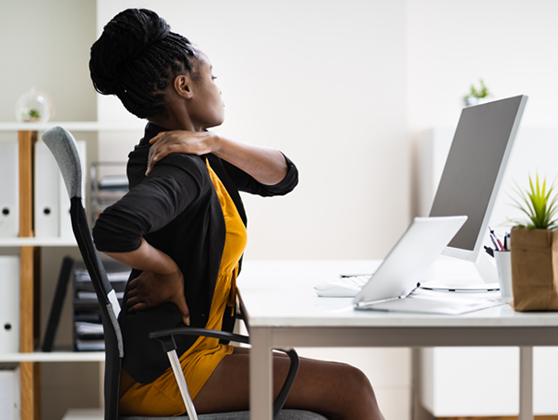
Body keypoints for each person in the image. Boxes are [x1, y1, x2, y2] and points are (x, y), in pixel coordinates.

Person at [90, 8, 384, 420]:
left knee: (349, 384)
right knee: (350, 386)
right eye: (212, 77)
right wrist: (167, 270)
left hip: (188, 348)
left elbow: (283, 176)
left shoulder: (190, 152)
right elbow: (113, 229)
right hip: (172, 368)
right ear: (184, 86)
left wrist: (216, 143)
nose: (219, 89)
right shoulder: (179, 165)